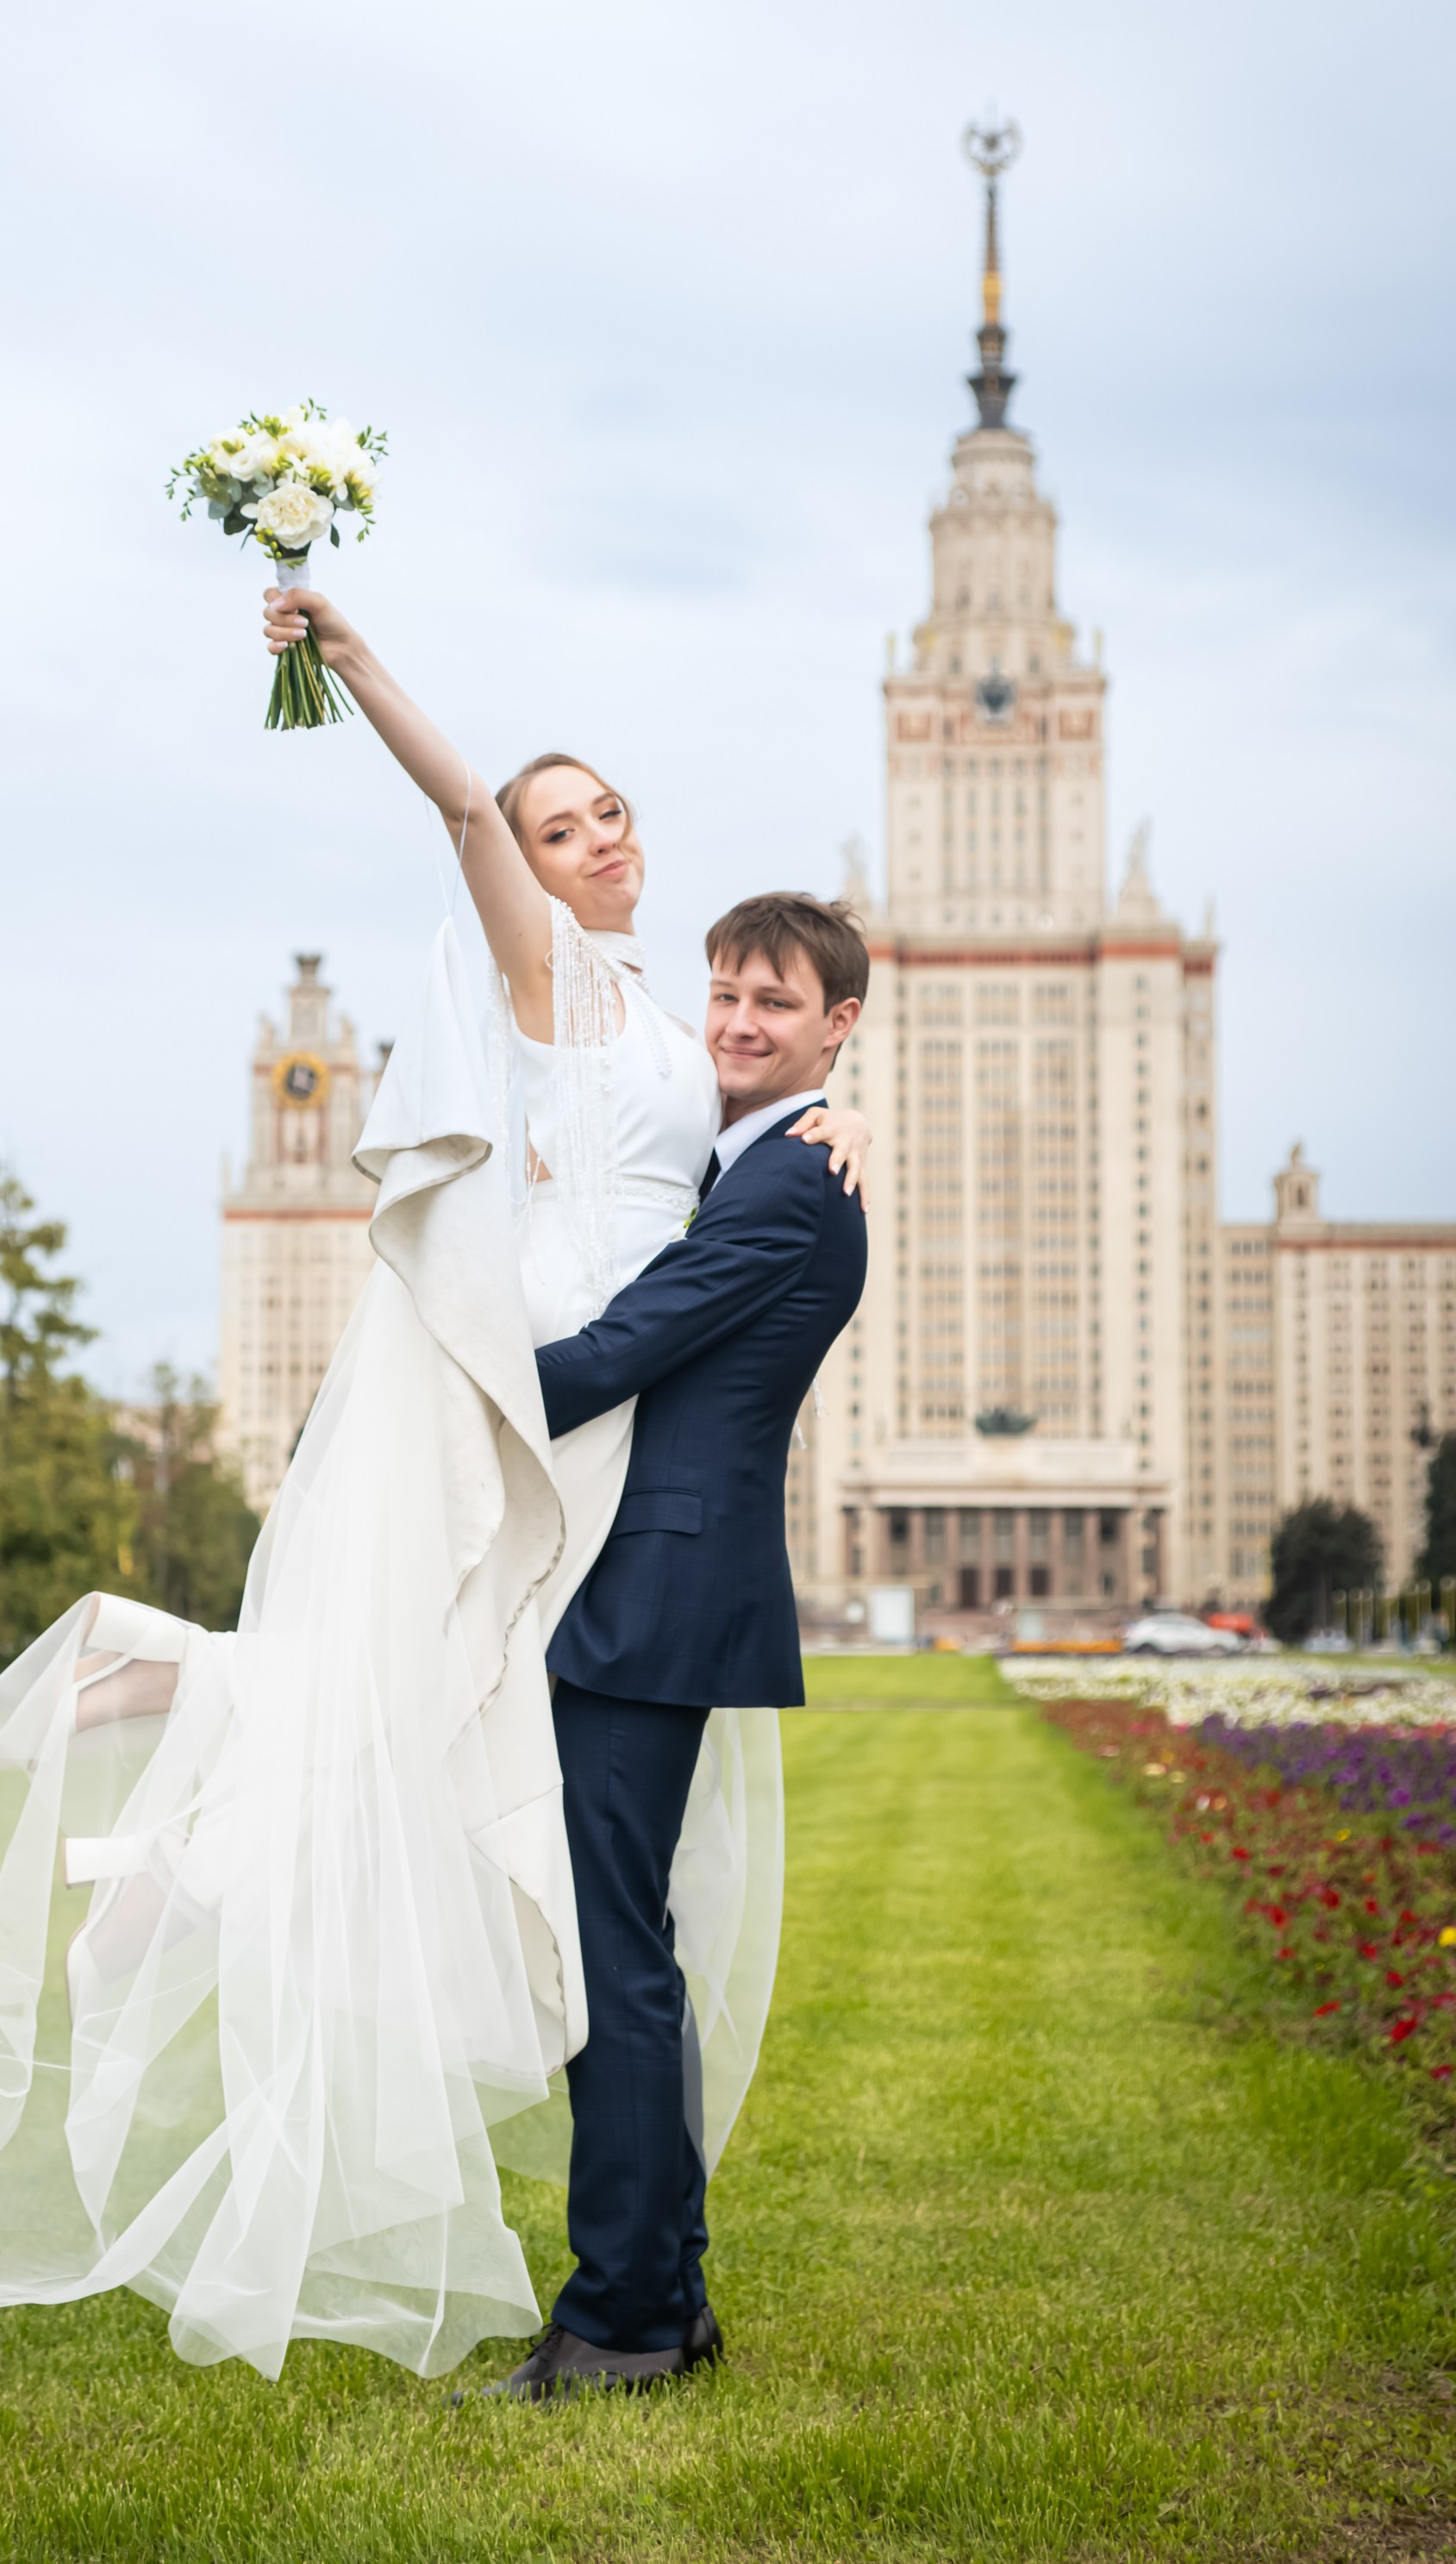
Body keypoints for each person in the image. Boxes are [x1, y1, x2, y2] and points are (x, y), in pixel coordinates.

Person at [0, 585, 870, 2384]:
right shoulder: (554, 976)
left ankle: (639, 2302)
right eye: (567, 826)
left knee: (577, 1900)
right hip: (562, 1445)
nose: (597, 837)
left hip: (622, 1509)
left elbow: (734, 1183)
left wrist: (805, 1126)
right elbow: (464, 814)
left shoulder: (690, 1047)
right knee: (574, 1893)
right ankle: (636, 2284)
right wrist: (355, 662)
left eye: (614, 811)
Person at [472, 890, 869, 2400]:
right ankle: (666, 2294)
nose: (731, 1021)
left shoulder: (784, 1189)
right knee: (625, 1942)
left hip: (654, 1595)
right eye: (719, 994)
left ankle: (625, 2315)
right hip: (645, 1587)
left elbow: (624, 1348)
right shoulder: (768, 1163)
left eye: (770, 1001)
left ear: (837, 1025)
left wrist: (438, 1400)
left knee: (611, 1956)